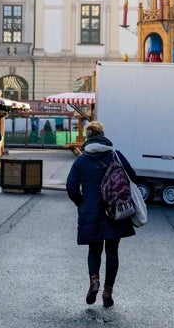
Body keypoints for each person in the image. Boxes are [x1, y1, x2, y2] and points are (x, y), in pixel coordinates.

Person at [65, 120, 138, 308]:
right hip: (115, 210)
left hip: (91, 211)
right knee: (112, 250)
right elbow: (133, 177)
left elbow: (71, 187)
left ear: (88, 137)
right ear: (103, 136)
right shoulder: (116, 156)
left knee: (94, 249)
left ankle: (94, 280)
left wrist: (82, 203)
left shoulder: (81, 160)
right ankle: (107, 292)